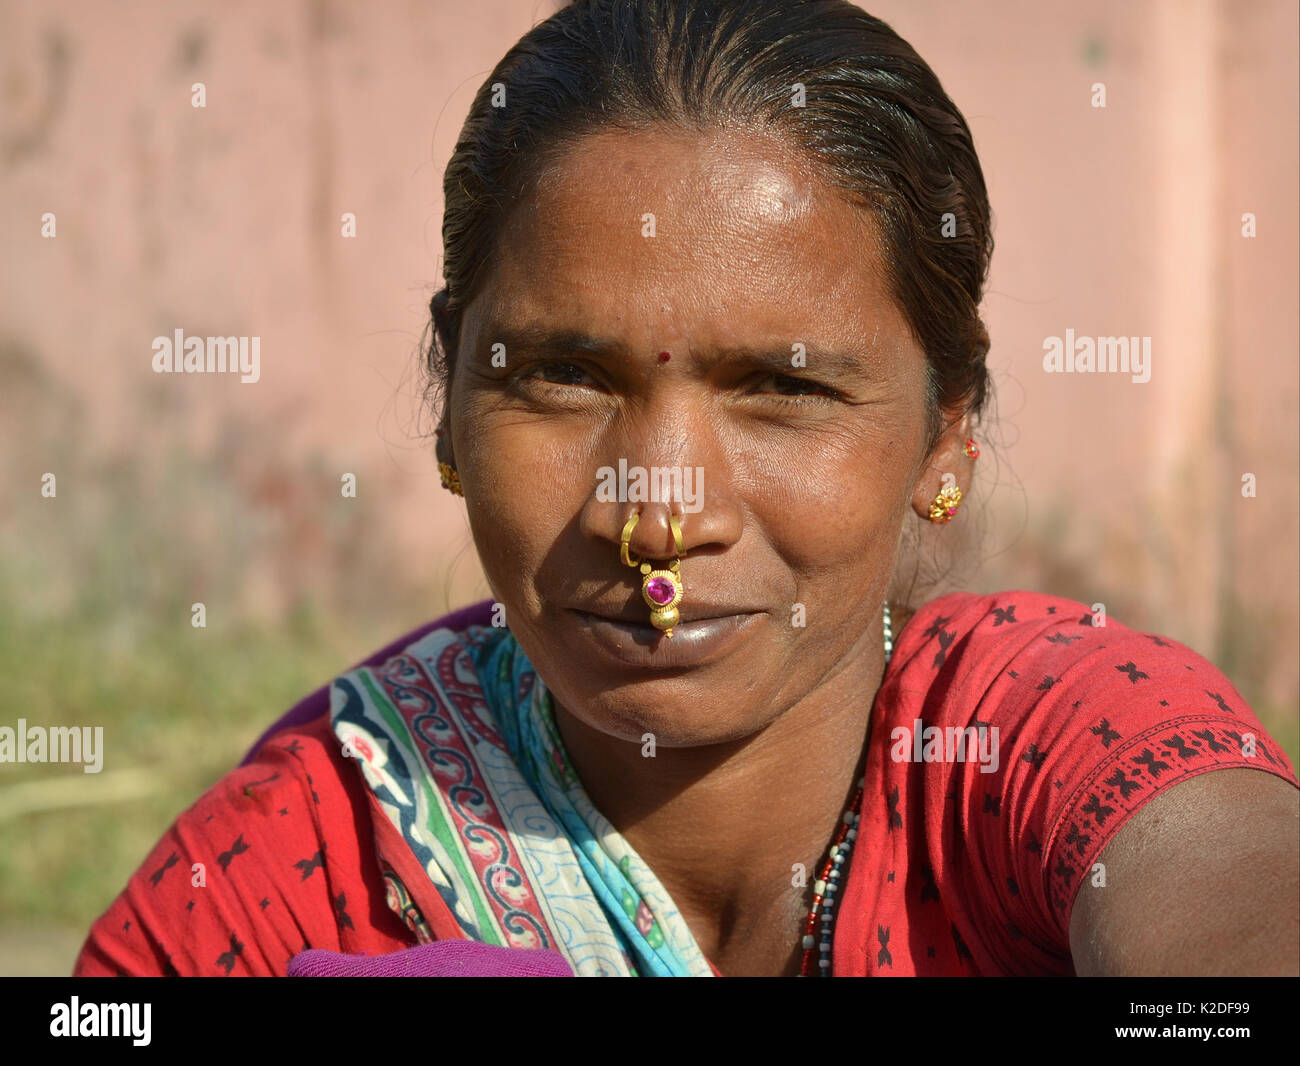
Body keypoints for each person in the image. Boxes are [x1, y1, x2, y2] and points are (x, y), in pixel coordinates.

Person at [76, 0, 1298, 978]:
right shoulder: (301, 864)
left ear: (943, 440)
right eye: (562, 375)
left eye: (783, 387)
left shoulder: (1033, 739)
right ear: (448, 404)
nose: (657, 513)